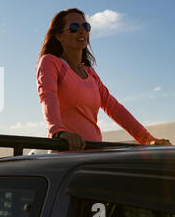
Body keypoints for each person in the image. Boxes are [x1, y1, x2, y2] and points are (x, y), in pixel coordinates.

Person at [36, 8, 171, 150]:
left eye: (86, 27)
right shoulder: (50, 62)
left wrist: (147, 139)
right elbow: (47, 96)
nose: (82, 31)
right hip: (67, 157)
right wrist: (58, 132)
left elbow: (114, 108)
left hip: (95, 154)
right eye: (74, 27)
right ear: (59, 36)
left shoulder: (90, 73)